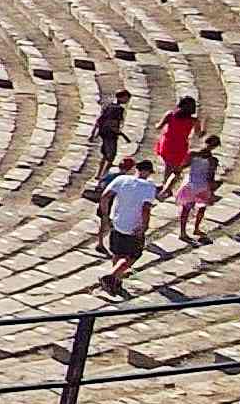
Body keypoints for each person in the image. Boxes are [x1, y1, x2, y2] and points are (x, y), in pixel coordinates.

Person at [99, 159, 162, 290]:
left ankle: (116, 280)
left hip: (117, 222)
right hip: (133, 227)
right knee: (133, 256)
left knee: (117, 253)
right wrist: (144, 227)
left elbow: (105, 196)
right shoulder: (149, 187)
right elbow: (145, 208)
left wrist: (105, 215)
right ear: (148, 172)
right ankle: (111, 275)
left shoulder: (121, 179)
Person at [175, 136, 220, 242]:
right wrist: (212, 191)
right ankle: (196, 228)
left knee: (186, 209)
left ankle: (183, 232)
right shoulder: (212, 160)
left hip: (190, 184)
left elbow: (183, 166)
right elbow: (210, 177)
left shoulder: (193, 154)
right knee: (201, 207)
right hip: (202, 185)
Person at [155, 95, 203, 179]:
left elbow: (158, 127)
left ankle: (166, 184)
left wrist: (156, 123)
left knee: (168, 166)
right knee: (175, 167)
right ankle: (167, 185)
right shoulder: (194, 121)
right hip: (180, 145)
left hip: (167, 143)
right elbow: (199, 134)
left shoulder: (170, 115)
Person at [88, 90, 130, 185]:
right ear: (122, 97)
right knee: (110, 157)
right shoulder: (118, 109)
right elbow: (113, 124)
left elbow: (99, 119)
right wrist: (123, 135)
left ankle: (99, 173)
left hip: (103, 133)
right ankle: (103, 176)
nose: (127, 101)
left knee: (104, 155)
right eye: (127, 98)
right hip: (111, 135)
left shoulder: (108, 105)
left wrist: (93, 132)